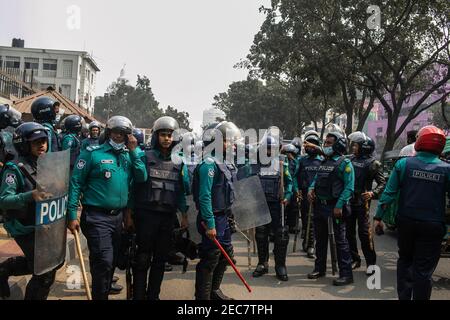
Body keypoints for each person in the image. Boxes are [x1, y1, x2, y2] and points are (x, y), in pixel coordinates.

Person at [67, 116, 147, 300]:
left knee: (109, 265)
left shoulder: (129, 156)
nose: (119, 137)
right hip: (96, 218)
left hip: (117, 218)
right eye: (116, 133)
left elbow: (141, 177)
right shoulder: (92, 154)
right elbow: (76, 183)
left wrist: (134, 151)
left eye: (124, 134)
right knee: (104, 260)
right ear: (108, 133)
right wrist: (72, 214)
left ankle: (100, 293)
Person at [374, 126, 450, 300]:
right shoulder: (446, 169)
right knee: (423, 272)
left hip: (406, 223)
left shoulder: (403, 164)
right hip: (433, 226)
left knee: (406, 262)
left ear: (419, 141)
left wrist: (378, 217)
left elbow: (389, 193)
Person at [0, 122, 61, 299]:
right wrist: (29, 196)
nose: (41, 144)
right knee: (44, 273)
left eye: (43, 140)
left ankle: (4, 269)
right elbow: (3, 201)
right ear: (24, 144)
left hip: (41, 223)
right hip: (23, 226)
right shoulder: (14, 169)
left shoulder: (44, 163)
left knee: (50, 263)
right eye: (36, 142)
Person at [131, 116, 190, 300]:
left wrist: (185, 215)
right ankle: (139, 295)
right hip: (145, 216)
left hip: (167, 218)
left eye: (170, 135)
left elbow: (181, 191)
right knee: (142, 259)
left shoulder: (180, 161)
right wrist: (129, 214)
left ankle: (153, 296)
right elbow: (133, 186)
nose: (166, 138)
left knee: (160, 260)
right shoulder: (143, 155)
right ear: (156, 136)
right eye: (163, 134)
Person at [193, 121, 241, 300]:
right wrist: (210, 224)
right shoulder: (208, 164)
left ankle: (214, 292)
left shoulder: (224, 163)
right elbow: (204, 196)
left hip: (224, 217)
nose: (232, 145)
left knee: (226, 255)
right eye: (228, 141)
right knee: (210, 258)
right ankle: (202, 298)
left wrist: (230, 216)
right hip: (211, 218)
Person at [307, 131, 355, 286]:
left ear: (337, 145)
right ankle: (319, 269)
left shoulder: (344, 163)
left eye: (328, 143)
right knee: (320, 240)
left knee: (340, 241)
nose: (325, 146)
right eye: (325, 142)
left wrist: (340, 205)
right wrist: (311, 189)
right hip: (320, 206)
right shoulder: (324, 162)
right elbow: (316, 179)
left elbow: (349, 187)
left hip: (335, 207)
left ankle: (346, 274)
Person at [251, 135, 293, 281]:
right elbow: (248, 181)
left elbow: (289, 183)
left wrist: (287, 196)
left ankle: (280, 265)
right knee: (261, 233)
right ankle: (262, 263)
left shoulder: (282, 162)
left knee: (281, 235)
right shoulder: (255, 163)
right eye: (267, 148)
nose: (269, 151)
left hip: (277, 205)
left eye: (272, 148)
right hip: (261, 205)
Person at [347, 132, 385, 275]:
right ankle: (354, 259)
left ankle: (371, 263)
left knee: (364, 234)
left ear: (365, 148)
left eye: (356, 146)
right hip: (349, 201)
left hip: (363, 203)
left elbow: (383, 183)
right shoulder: (349, 159)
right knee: (349, 233)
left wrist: (372, 193)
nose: (353, 148)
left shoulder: (373, 164)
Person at [295, 130, 323, 258]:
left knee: (314, 220)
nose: (310, 147)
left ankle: (312, 245)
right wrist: (297, 189)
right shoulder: (301, 160)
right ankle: (306, 241)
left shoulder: (322, 160)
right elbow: (295, 177)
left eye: (313, 144)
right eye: (308, 144)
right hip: (305, 194)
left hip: (318, 195)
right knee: (306, 219)